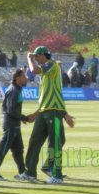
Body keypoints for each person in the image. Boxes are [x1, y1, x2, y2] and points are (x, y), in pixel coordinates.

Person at [16, 46, 75, 184]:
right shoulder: (48, 69)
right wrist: (37, 113)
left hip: (54, 111)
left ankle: (57, 175)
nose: (36, 59)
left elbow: (34, 70)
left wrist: (29, 59)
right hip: (45, 110)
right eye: (35, 57)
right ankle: (30, 172)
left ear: (43, 55)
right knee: (34, 141)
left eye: (37, 56)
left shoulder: (51, 64)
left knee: (54, 143)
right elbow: (50, 94)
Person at [0, 69, 31, 181]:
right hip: (10, 125)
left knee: (18, 150)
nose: (25, 78)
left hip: (14, 124)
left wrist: (21, 118)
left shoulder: (17, 89)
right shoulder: (13, 90)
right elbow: (10, 110)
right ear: (17, 78)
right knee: (3, 149)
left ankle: (23, 173)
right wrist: (24, 117)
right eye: (23, 76)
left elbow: (13, 110)